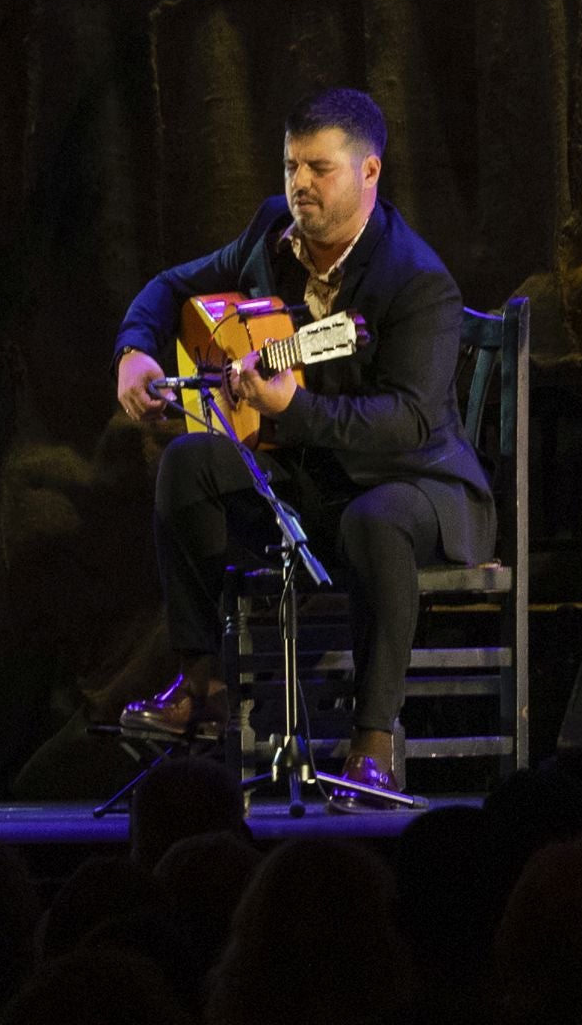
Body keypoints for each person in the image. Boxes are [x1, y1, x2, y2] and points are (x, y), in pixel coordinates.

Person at [111, 88, 492, 806]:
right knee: (190, 465)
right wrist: (134, 350)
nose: (299, 184)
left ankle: (373, 742)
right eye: (292, 165)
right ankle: (205, 685)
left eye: (319, 168)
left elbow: (407, 422)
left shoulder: (418, 282)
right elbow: (170, 286)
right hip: (314, 476)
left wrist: (296, 408)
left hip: (417, 485)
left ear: (369, 173)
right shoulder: (270, 233)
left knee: (373, 520)